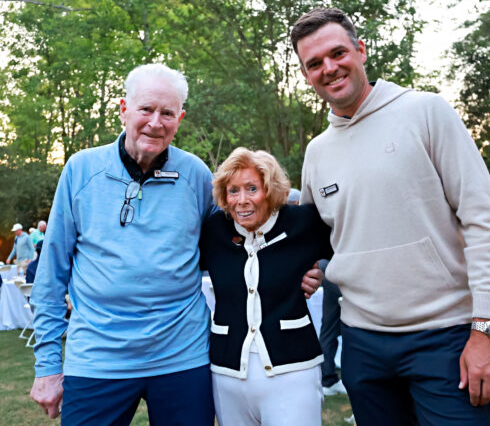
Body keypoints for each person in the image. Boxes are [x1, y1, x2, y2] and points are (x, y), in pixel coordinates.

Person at [29, 64, 322, 425]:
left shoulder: (195, 174)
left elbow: (247, 214)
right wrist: (46, 365)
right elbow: (51, 273)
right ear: (123, 109)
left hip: (182, 358)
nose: (156, 122)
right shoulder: (80, 170)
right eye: (146, 110)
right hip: (97, 358)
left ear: (179, 118)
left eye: (167, 113)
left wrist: (300, 264)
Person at [291, 8, 490, 424]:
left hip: (445, 340)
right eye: (314, 63)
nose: (329, 68)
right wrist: (302, 271)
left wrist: (487, 331)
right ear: (305, 75)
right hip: (361, 345)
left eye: (338, 53)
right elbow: (314, 242)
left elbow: (483, 222)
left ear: (361, 50)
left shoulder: (426, 112)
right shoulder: (317, 152)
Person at [200, 148, 332, 426]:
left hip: (293, 371)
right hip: (227, 372)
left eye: (252, 188)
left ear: (270, 190)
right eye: (233, 190)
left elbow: (348, 245)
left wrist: (318, 268)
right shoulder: (214, 230)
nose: (242, 200)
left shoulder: (302, 222)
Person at [317, 259, 346, 396]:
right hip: (336, 268)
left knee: (329, 330)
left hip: (329, 267)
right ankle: (328, 379)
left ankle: (328, 379)